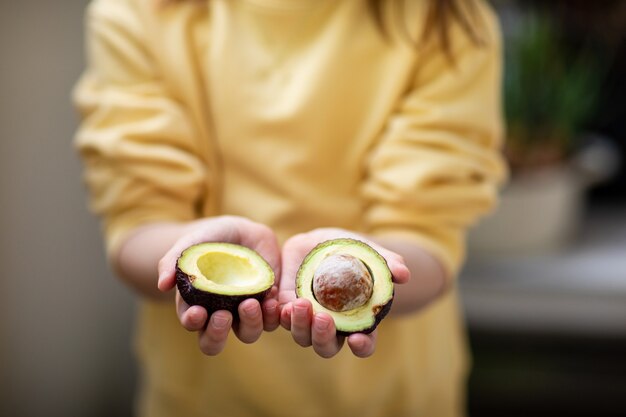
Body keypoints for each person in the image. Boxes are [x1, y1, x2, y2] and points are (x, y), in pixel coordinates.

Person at [74, 0, 506, 415]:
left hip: (394, 398)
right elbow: (138, 223)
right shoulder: (136, 12)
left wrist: (374, 264)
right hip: (204, 400)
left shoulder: (445, 20)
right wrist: (185, 254)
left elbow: (428, 237)